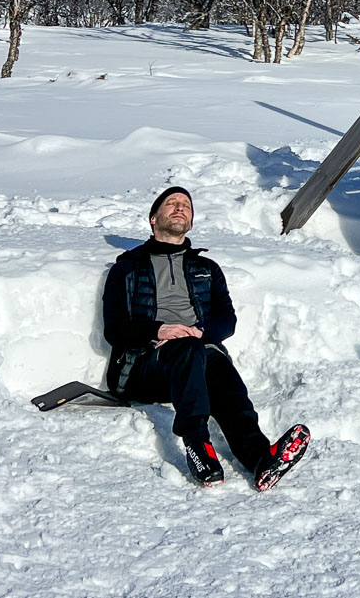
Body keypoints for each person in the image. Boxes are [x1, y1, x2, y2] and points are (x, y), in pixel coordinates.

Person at [102, 185, 308, 487]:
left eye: (185, 205)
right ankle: (197, 443)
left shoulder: (207, 269)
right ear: (153, 219)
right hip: (144, 366)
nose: (179, 208)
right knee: (187, 349)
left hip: (197, 354)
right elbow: (114, 329)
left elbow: (227, 319)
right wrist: (158, 330)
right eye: (170, 203)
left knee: (221, 372)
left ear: (192, 221)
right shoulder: (127, 269)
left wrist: (201, 332)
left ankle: (260, 459)